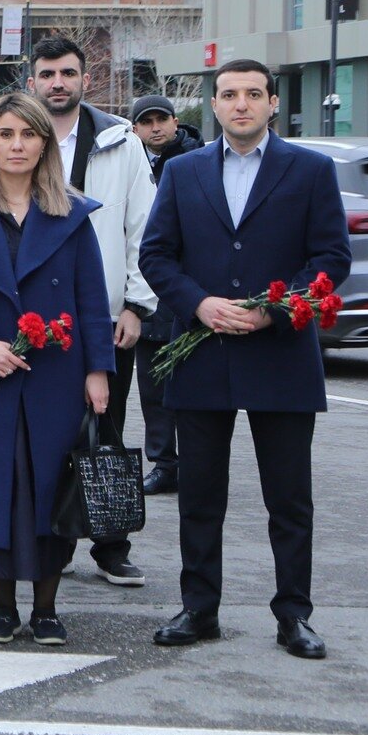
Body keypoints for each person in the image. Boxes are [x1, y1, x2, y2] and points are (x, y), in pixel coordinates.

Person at [140, 59, 351, 660]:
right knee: (200, 496)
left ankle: (294, 616)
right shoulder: (182, 173)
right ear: (213, 106)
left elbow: (330, 257)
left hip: (280, 355)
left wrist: (273, 310)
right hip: (201, 353)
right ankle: (199, 608)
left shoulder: (310, 170)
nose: (240, 104)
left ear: (273, 103)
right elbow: (156, 256)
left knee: (288, 499)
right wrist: (199, 304)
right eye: (229, 94)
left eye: (253, 94)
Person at [0, 93, 116, 647]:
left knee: (50, 487)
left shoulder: (73, 214)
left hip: (56, 373)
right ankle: (2, 607)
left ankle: (49, 608)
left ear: (44, 144)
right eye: (6, 134)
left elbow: (90, 299)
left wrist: (98, 371)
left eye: (28, 135)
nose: (17, 145)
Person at [26, 37, 155, 588]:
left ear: (85, 79)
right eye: (48, 73)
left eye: (68, 73)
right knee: (38, 433)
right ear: (31, 81)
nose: (59, 82)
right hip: (31, 320)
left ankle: (110, 543)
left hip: (103, 315)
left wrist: (136, 305)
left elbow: (143, 227)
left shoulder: (119, 143)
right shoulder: (16, 134)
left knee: (106, 429)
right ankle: (44, 538)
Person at [130, 93, 203, 496]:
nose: (155, 127)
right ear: (136, 129)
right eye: (146, 121)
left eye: (162, 119)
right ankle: (165, 462)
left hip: (189, 289)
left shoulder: (197, 161)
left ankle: (196, 460)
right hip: (146, 288)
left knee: (193, 384)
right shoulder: (132, 162)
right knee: (153, 386)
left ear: (176, 122)